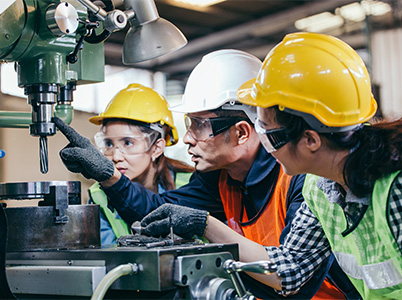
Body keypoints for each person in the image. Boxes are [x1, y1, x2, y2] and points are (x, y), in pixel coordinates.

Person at [53, 50, 355, 299]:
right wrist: (109, 176)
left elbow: (293, 280)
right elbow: (159, 213)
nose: (187, 139)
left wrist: (205, 226)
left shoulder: (302, 180)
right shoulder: (220, 177)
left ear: (240, 132)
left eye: (199, 124)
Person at [234, 32, 402, 299]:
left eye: (269, 133)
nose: (265, 145)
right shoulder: (320, 188)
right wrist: (204, 225)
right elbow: (290, 268)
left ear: (310, 139)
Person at [88, 83, 194, 245]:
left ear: (157, 148)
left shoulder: (189, 184)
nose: (116, 156)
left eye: (128, 143)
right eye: (109, 144)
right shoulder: (99, 195)